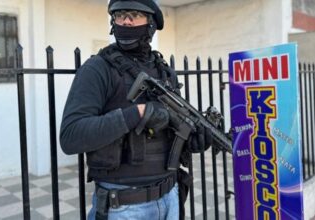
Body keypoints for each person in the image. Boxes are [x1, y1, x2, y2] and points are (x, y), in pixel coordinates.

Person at [60, 0, 218, 219]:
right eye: (120, 14)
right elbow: (71, 136)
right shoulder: (98, 69)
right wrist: (138, 113)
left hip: (171, 197)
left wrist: (193, 141)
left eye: (134, 14)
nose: (126, 20)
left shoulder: (165, 73)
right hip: (123, 206)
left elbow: (172, 130)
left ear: (151, 23)